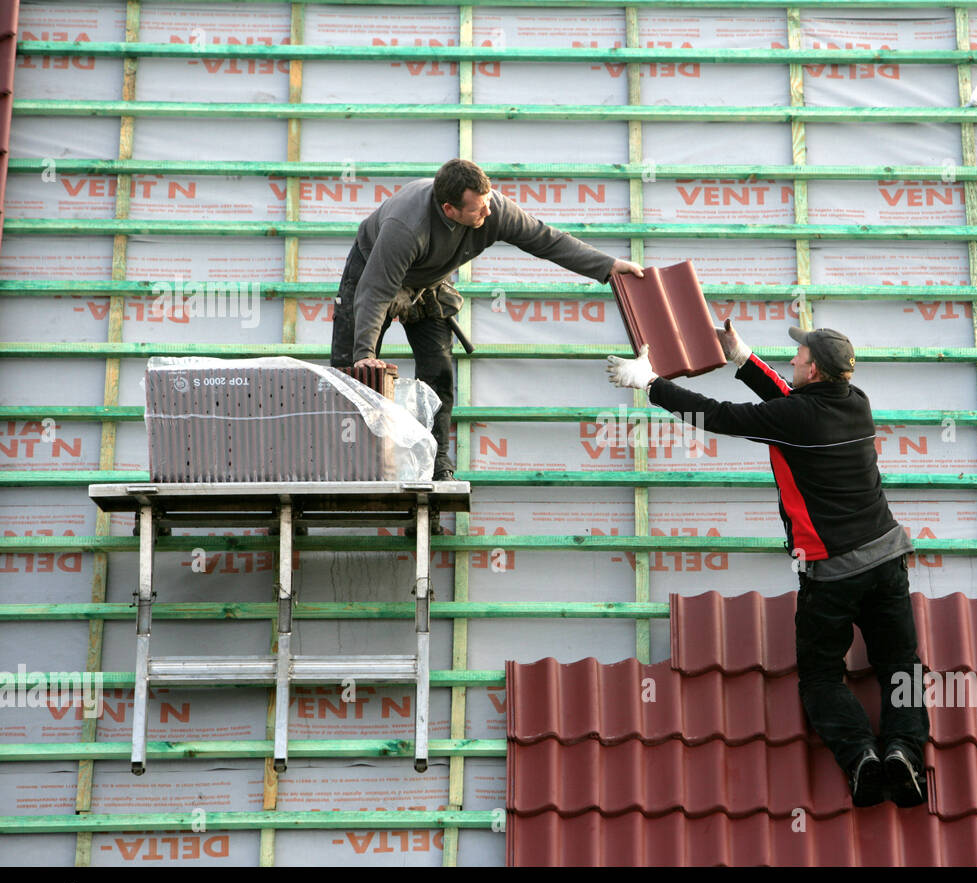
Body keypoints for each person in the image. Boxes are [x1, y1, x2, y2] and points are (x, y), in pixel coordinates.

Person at [606, 322, 931, 808]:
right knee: (901, 667)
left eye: (799, 354)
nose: (794, 358)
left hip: (833, 574)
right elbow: (790, 400)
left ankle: (861, 755)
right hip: (887, 558)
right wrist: (742, 358)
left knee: (821, 676)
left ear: (815, 368)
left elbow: (717, 415)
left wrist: (650, 384)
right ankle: (904, 752)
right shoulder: (855, 401)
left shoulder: (795, 419)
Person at [332, 158, 644, 480]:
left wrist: (607, 266)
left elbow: (546, 240)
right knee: (353, 376)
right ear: (449, 209)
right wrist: (365, 355)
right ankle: (347, 465)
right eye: (477, 210)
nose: (488, 213)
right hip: (373, 272)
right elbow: (374, 292)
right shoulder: (407, 226)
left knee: (438, 377)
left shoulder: (492, 208)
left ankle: (437, 467)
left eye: (487, 203)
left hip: (430, 281)